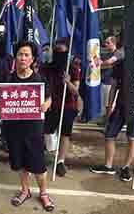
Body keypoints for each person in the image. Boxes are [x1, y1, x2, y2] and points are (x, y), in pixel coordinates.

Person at [0, 41, 54, 212]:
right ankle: (25, 190)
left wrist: (46, 104)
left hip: (33, 129)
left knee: (38, 165)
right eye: (20, 54)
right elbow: (1, 100)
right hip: (13, 129)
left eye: (26, 54)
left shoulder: (39, 79)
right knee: (20, 163)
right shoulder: (8, 79)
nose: (23, 58)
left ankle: (43, 193)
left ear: (32, 58)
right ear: (16, 57)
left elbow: (50, 98)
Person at [90, 57, 134, 182]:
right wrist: (110, 105)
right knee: (109, 135)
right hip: (121, 106)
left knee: (132, 137)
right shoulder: (121, 63)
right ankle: (108, 165)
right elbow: (114, 86)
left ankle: (126, 167)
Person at [40, 40, 81, 177]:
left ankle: (60, 161)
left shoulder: (73, 68)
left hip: (67, 105)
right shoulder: (47, 68)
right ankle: (48, 152)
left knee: (65, 134)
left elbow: (76, 91)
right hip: (50, 105)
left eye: (62, 51)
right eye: (57, 50)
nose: (59, 53)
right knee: (47, 131)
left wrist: (68, 82)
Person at [99, 36, 124, 125]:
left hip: (114, 82)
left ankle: (109, 123)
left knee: (111, 104)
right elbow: (106, 65)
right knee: (107, 104)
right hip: (109, 81)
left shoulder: (118, 53)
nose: (105, 45)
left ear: (113, 43)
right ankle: (107, 121)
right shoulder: (109, 53)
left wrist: (100, 63)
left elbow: (109, 62)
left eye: (107, 43)